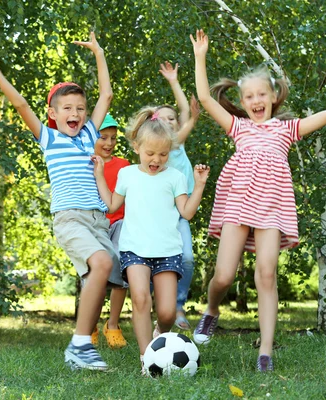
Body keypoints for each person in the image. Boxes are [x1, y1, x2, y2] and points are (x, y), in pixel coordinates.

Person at [189, 29, 326, 372]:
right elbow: (205, 99)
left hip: (271, 208)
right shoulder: (237, 127)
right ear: (243, 101)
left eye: (261, 93)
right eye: (248, 96)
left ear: (273, 96)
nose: (255, 100)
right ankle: (212, 309)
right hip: (238, 203)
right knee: (222, 275)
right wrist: (200, 57)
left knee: (266, 275)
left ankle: (265, 351)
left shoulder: (287, 129)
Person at [0, 32, 117, 371]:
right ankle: (80, 344)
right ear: (52, 113)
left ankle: (83, 344)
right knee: (103, 265)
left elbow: (106, 94)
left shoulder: (91, 135)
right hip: (69, 218)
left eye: (80, 108)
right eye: (67, 108)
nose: (76, 113)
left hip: (97, 219)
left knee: (102, 274)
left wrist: (99, 53)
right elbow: (20, 104)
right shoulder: (48, 138)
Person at [92, 108, 210, 374]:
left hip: (167, 251)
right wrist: (99, 174)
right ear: (136, 147)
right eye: (150, 154)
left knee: (167, 312)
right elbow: (111, 205)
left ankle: (160, 335)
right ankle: (146, 359)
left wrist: (200, 185)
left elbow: (187, 212)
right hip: (135, 249)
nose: (156, 159)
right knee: (141, 301)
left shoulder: (175, 177)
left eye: (163, 154)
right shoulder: (128, 174)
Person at [157, 61, 200, 331]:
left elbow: (185, 109)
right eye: (162, 119)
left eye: (172, 119)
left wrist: (174, 80)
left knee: (186, 258)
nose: (170, 121)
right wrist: (193, 119)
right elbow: (188, 117)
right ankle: (160, 303)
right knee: (156, 262)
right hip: (157, 213)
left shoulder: (179, 142)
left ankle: (178, 305)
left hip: (180, 213)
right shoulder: (160, 147)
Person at [90, 114, 130, 349]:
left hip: (119, 224)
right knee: (93, 277)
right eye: (103, 137)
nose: (109, 143)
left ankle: (112, 325)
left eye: (113, 138)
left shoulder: (124, 165)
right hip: (94, 225)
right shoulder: (85, 163)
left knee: (122, 271)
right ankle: (90, 325)